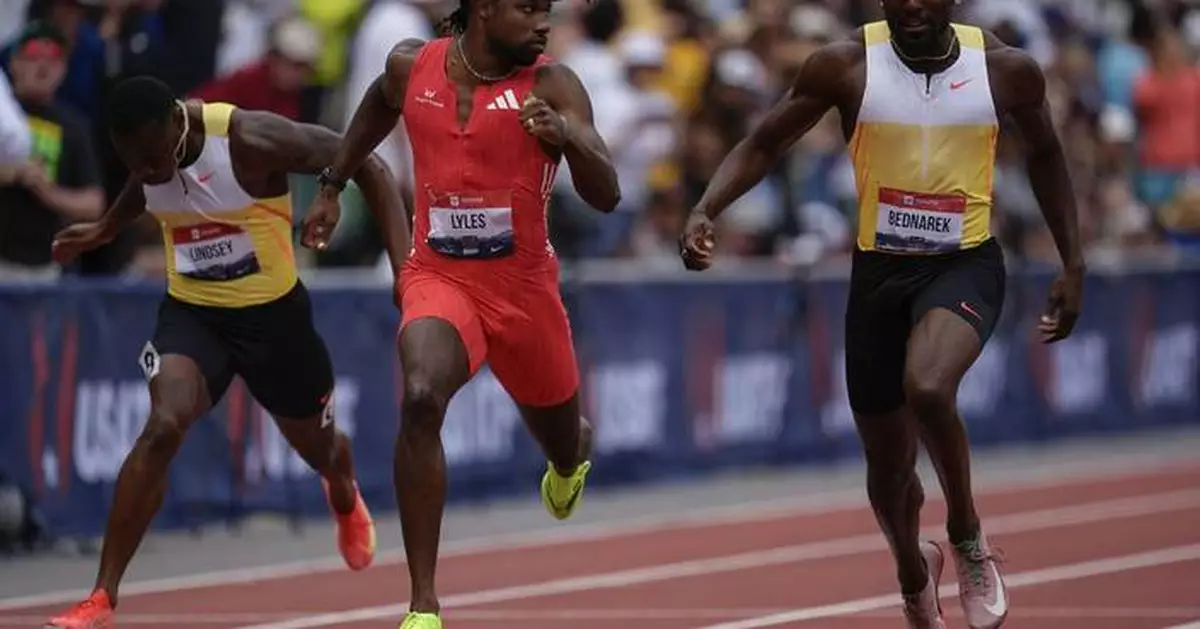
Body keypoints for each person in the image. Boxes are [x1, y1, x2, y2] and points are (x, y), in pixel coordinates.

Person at [679, 2, 1084, 629]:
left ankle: (968, 537)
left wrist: (1072, 263)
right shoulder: (844, 66)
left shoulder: (1005, 71)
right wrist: (707, 206)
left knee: (927, 385)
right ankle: (911, 573)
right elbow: (766, 141)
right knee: (889, 473)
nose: (910, 6)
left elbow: (1048, 157)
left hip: (963, 264)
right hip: (878, 276)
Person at [43, 75, 411, 629]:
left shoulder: (248, 139)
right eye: (132, 160)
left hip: (274, 322)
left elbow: (373, 167)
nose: (146, 170)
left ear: (176, 121)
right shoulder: (147, 156)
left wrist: (408, 272)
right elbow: (144, 190)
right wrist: (100, 230)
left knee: (323, 451)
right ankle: (102, 595)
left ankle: (343, 492)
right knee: (164, 424)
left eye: (153, 156)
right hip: (194, 316)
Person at [308, 0, 620, 626]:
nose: (544, 23)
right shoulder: (410, 67)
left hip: (525, 292)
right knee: (421, 395)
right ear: (482, 11)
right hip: (440, 276)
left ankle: (568, 455)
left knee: (560, 439)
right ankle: (423, 604)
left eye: (547, 10)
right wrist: (332, 184)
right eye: (529, 9)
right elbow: (374, 107)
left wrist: (570, 139)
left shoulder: (553, 84)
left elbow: (607, 195)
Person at [0, 23, 104, 282]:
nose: (44, 68)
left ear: (64, 70)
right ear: (14, 63)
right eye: (33, 58)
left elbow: (94, 204)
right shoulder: (4, 114)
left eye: (54, 60)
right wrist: (11, 173)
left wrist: (49, 192)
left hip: (45, 269)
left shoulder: (74, 126)